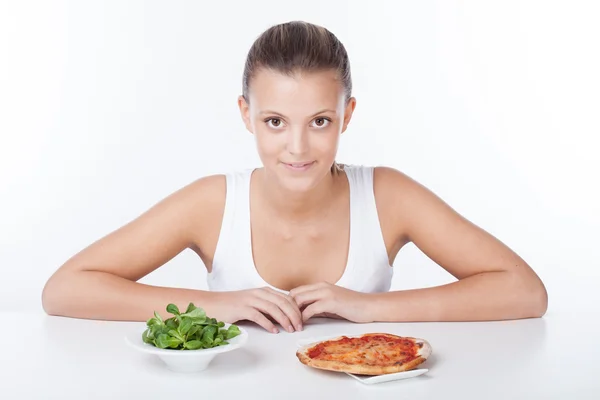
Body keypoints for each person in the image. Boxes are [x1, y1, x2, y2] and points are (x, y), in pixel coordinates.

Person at [42, 21, 548, 334]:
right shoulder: (213, 203)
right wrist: (220, 306)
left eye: (320, 121)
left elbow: (525, 292)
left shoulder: (388, 196)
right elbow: (64, 289)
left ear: (347, 115)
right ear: (247, 114)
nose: (298, 148)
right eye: (276, 122)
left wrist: (369, 309)